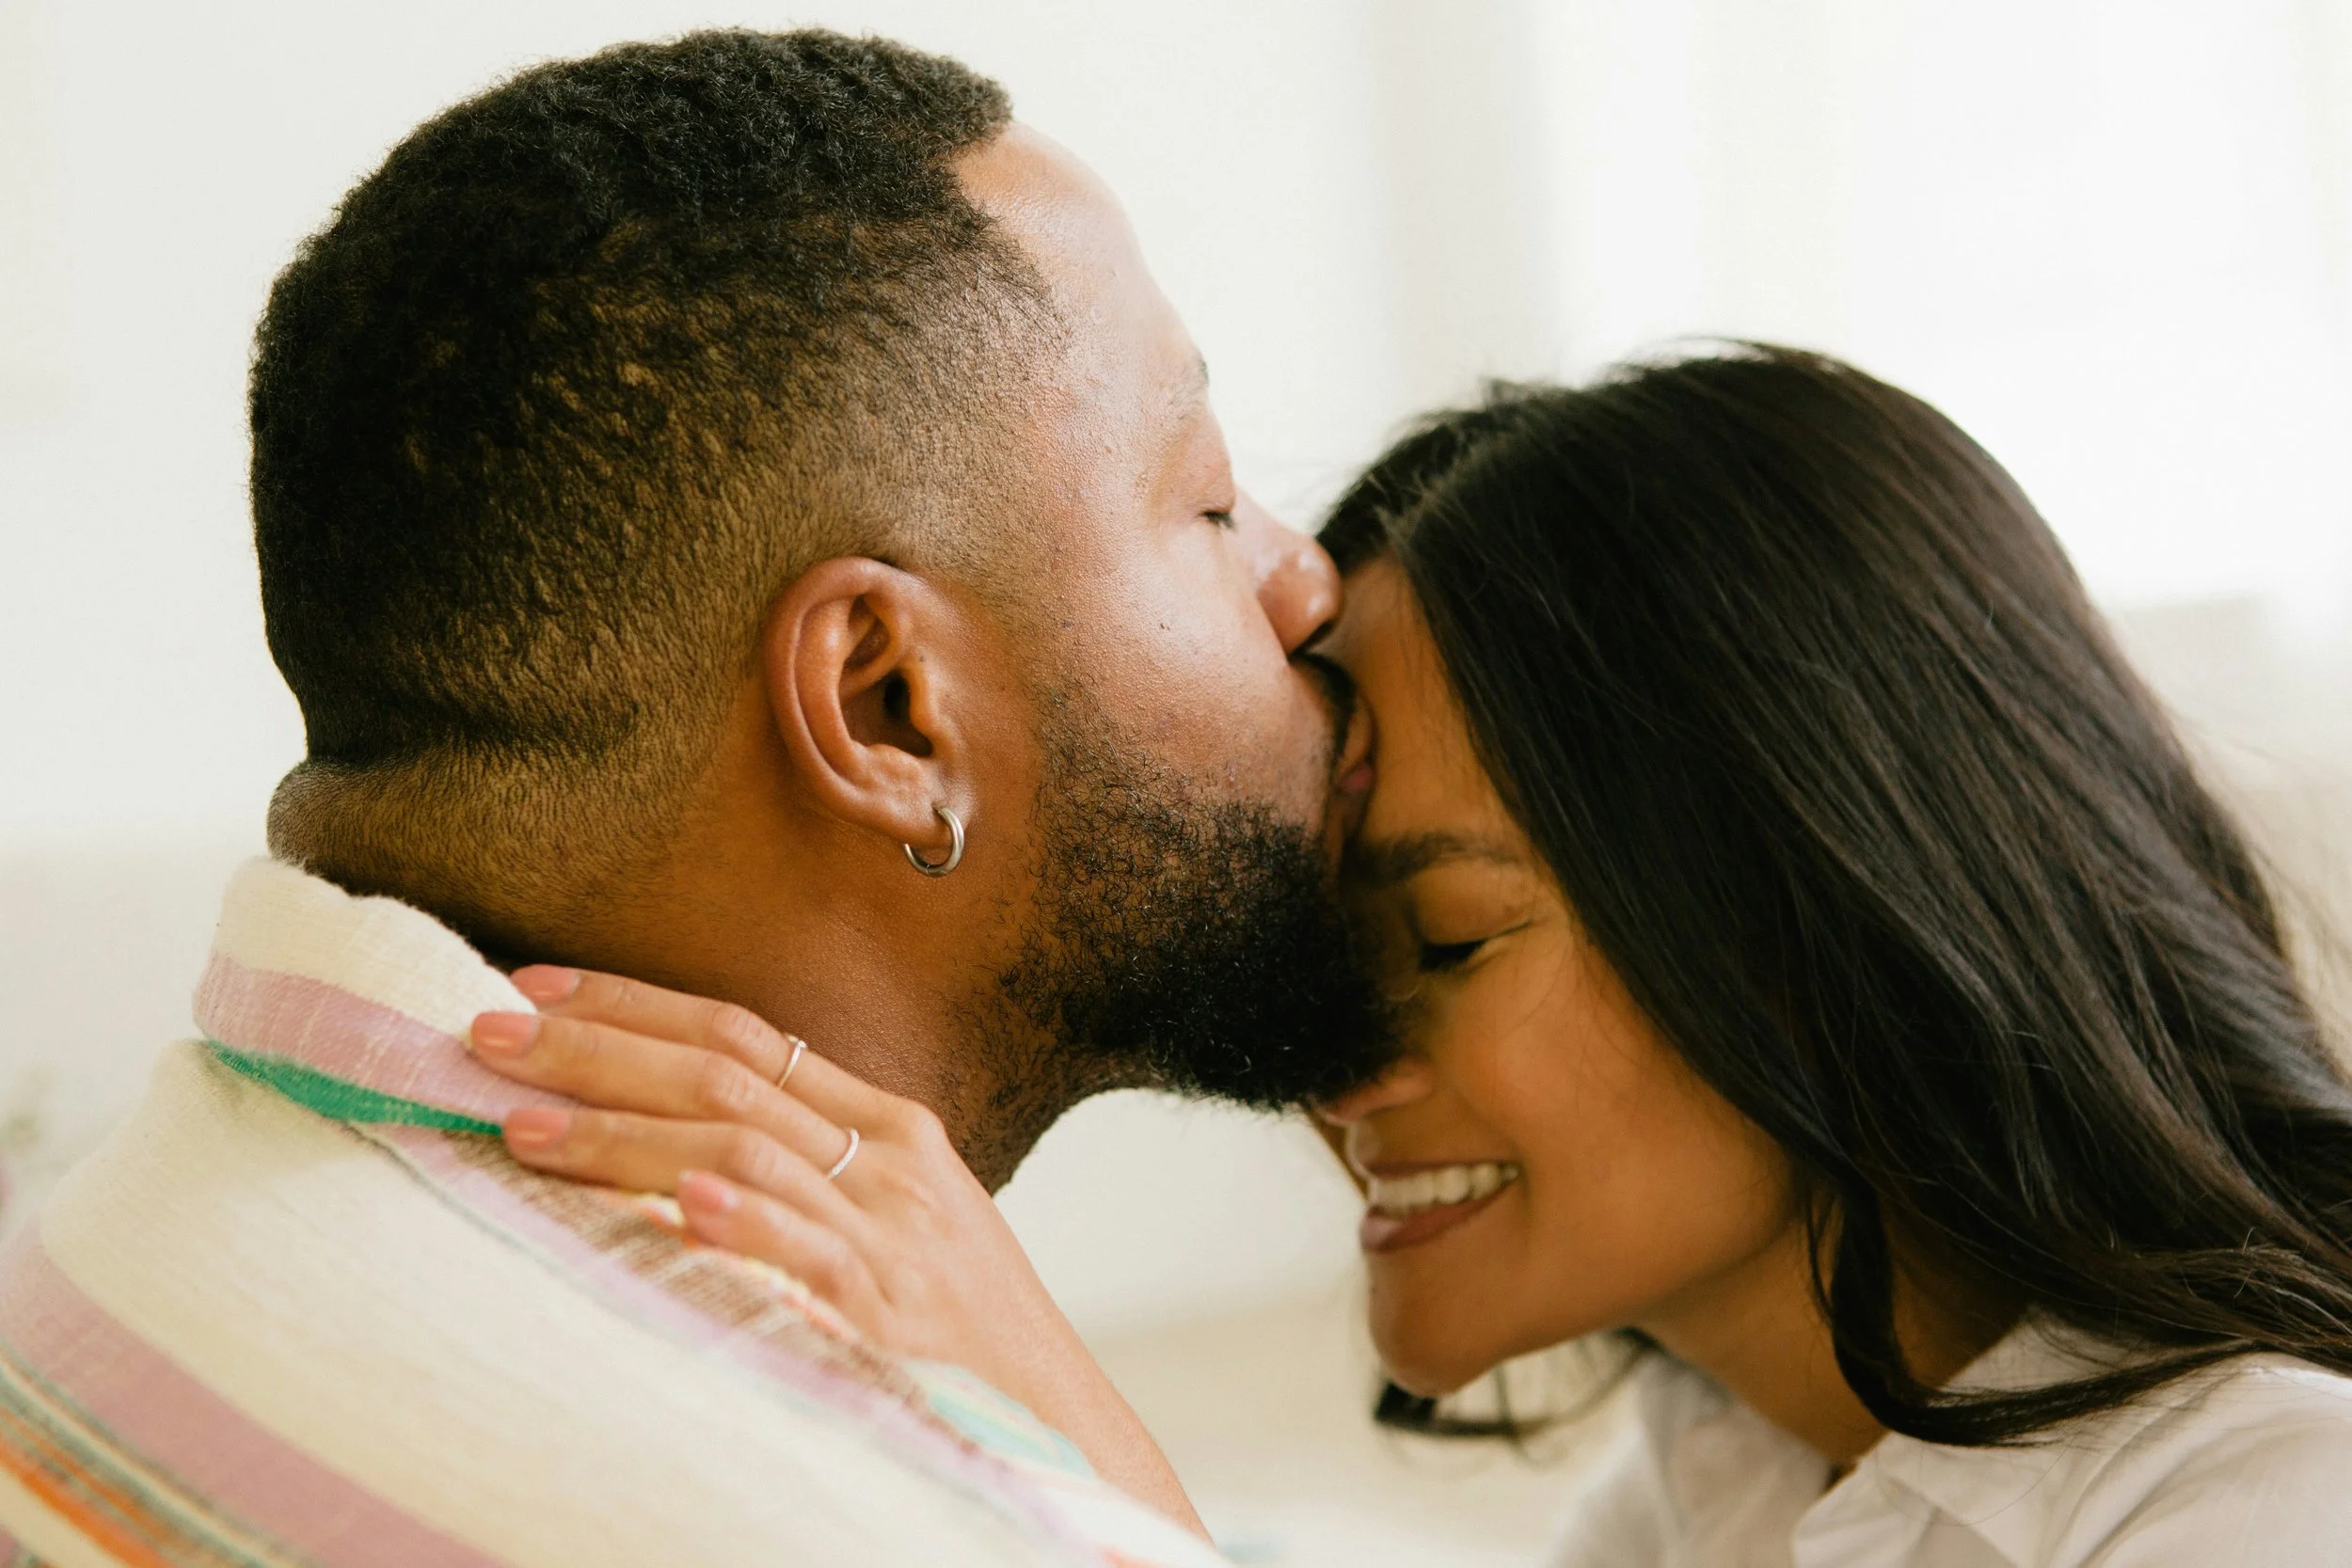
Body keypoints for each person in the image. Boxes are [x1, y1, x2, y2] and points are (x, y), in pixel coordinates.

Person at [501, 347, 2352, 1566]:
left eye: (1447, 933)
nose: (1334, 1060)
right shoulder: (1725, 1481)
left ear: (1827, 915)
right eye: (1322, 942)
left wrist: (1074, 1465)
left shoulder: (2274, 1502)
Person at [0, 28, 1393, 1567]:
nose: (1305, 574)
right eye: (1204, 501)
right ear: (887, 709)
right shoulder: (892, 1519)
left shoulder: (105, 1248)